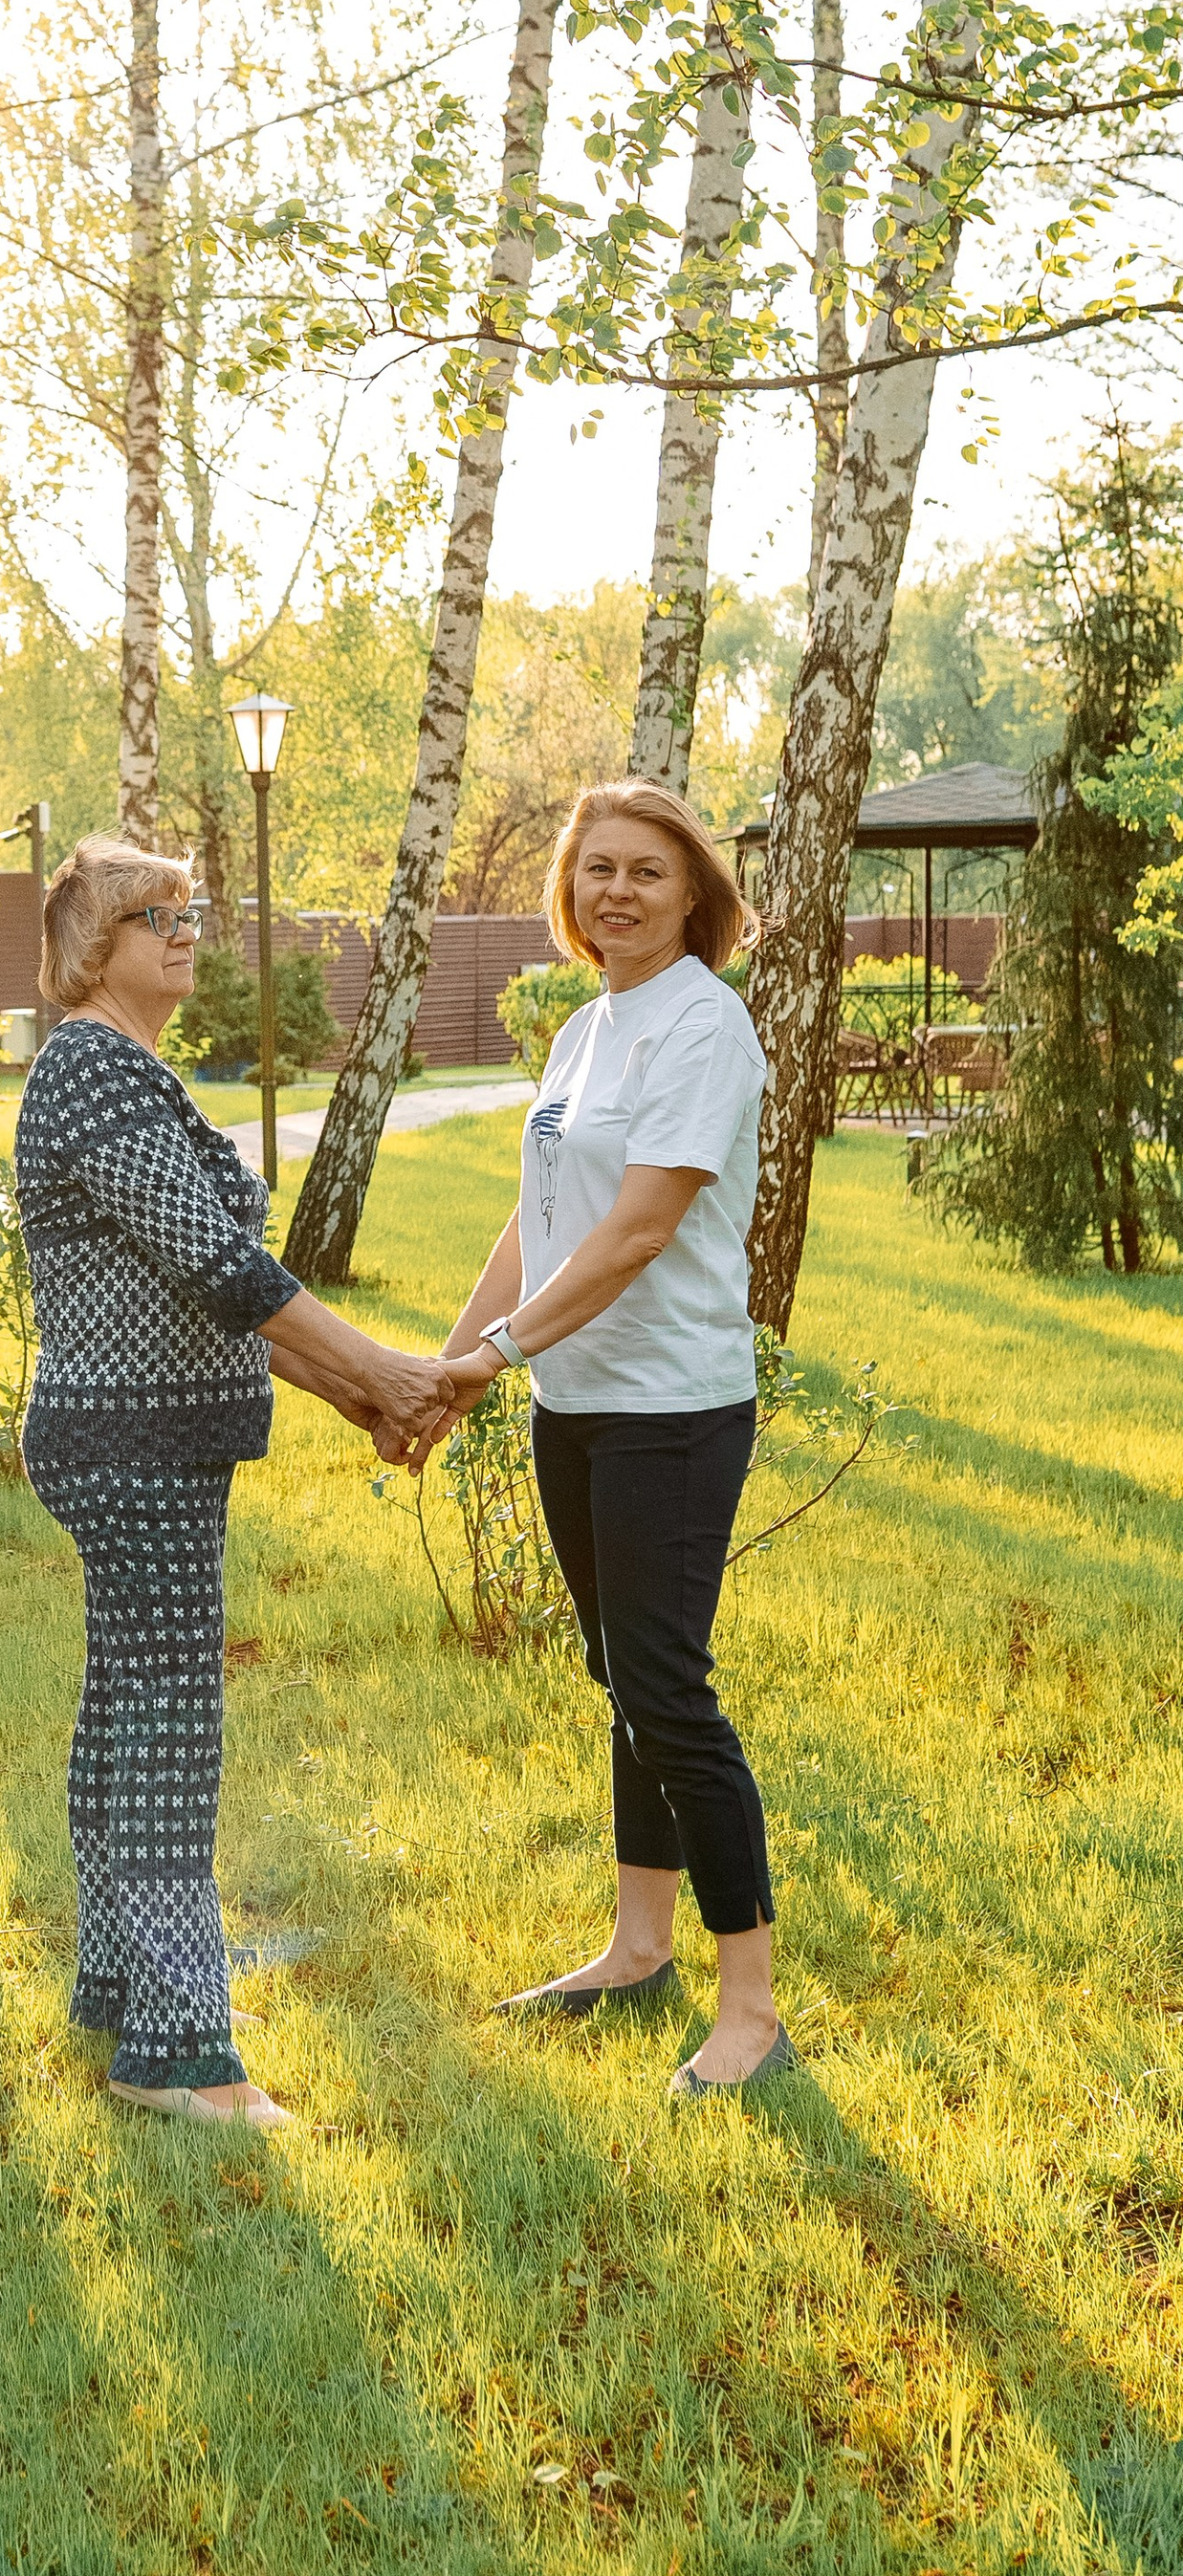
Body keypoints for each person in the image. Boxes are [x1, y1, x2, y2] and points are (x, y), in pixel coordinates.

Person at [14, 838, 453, 2131]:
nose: (185, 932)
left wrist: (367, 1396)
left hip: (150, 1442)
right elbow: (220, 1268)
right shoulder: (93, 1070)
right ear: (94, 945)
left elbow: (215, 1301)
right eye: (156, 914)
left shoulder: (128, 1070)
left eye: (191, 910)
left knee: (126, 1724)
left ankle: (121, 1989)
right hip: (129, 1450)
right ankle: (180, 2058)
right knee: (166, 1741)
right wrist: (383, 1371)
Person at [438, 779, 790, 2099]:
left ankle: (748, 2002)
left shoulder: (703, 1024)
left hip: (671, 1410)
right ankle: (639, 1945)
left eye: (647, 871)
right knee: (619, 1677)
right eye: (597, 870)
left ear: (695, 893)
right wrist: (453, 1371)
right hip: (574, 1410)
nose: (618, 892)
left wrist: (495, 1354)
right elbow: (538, 1220)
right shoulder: (589, 1027)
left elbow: (640, 1229)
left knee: (665, 1688)